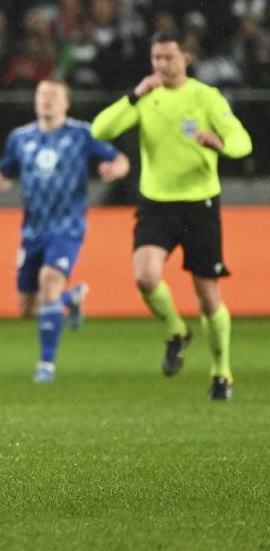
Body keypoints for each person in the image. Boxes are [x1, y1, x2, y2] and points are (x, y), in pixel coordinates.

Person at [91, 29, 252, 401]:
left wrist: (221, 143)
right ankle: (177, 330)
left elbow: (244, 141)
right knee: (145, 277)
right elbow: (101, 130)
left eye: (168, 58)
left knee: (208, 296)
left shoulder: (206, 97)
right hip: (157, 204)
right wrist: (134, 96)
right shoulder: (147, 98)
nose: (161, 65)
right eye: (156, 59)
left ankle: (221, 372)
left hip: (200, 204)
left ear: (186, 58)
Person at [0, 79, 129, 383]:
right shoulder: (20, 138)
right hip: (33, 230)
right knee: (27, 308)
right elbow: (7, 173)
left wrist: (116, 170)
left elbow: (120, 159)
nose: (46, 100)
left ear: (66, 103)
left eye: (53, 96)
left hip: (67, 226)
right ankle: (68, 300)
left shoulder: (82, 133)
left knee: (49, 280)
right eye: (42, 95)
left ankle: (46, 365)